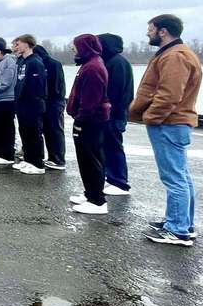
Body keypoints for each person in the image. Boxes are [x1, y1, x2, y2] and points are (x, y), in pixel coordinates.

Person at [129, 14, 203, 246]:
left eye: (150, 29)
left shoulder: (175, 56)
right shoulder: (176, 53)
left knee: (174, 178)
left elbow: (170, 94)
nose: (147, 33)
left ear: (163, 31)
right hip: (174, 122)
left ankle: (178, 230)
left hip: (169, 123)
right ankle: (181, 223)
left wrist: (152, 117)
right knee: (180, 175)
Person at [66, 35, 112, 214]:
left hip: (91, 122)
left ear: (84, 47)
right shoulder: (89, 64)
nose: (72, 50)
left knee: (91, 160)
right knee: (86, 160)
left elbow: (90, 100)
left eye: (75, 47)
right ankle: (90, 193)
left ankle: (97, 201)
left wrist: (80, 121)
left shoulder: (93, 68)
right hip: (89, 121)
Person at [98, 33, 134, 196]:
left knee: (114, 147)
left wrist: (111, 110)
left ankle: (119, 181)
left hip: (114, 114)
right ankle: (111, 178)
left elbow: (117, 91)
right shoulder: (109, 61)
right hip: (109, 114)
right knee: (106, 147)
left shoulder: (117, 63)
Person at [12, 34, 47, 174]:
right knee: (24, 132)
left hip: (32, 105)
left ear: (27, 44)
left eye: (18, 43)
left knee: (34, 134)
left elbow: (39, 86)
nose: (16, 46)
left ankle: (37, 164)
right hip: (21, 103)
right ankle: (28, 159)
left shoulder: (35, 62)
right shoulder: (21, 62)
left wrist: (33, 102)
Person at [35, 42, 67, 170]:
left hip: (54, 102)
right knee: (46, 131)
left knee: (55, 131)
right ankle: (50, 157)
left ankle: (58, 159)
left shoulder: (54, 64)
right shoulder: (39, 64)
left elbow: (57, 85)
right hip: (43, 102)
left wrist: (49, 98)